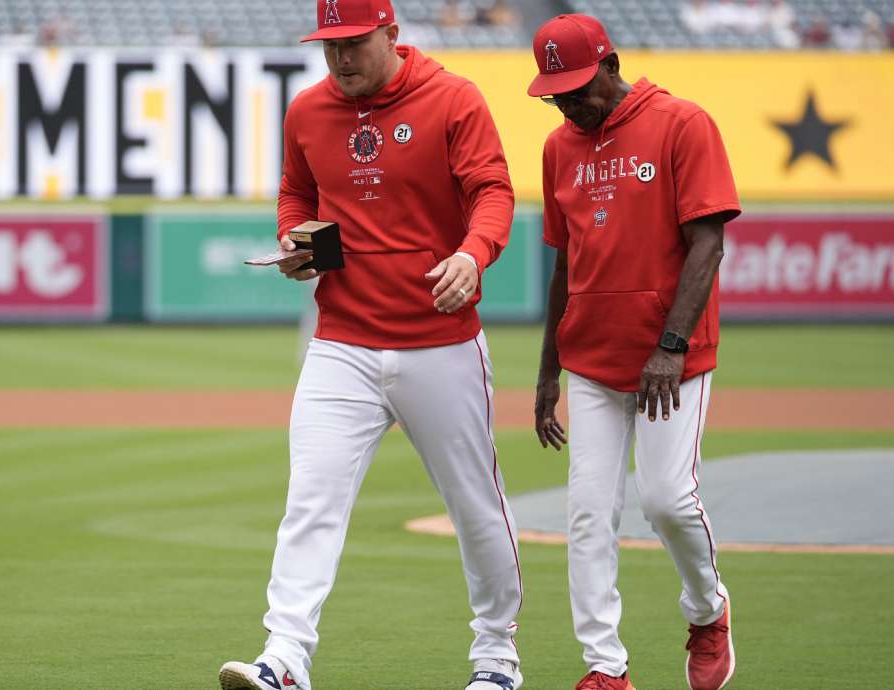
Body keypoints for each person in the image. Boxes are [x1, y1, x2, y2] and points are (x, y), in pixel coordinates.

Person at [219, 1, 524, 689]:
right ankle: (285, 657)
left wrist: (474, 256)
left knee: (476, 507)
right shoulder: (307, 111)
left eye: (354, 42)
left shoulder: (453, 98)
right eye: (330, 45)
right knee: (311, 500)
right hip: (343, 341)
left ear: (391, 33)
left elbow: (493, 191)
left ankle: (497, 659)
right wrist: (293, 242)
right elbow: (296, 196)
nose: (340, 57)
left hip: (439, 340)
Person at [525, 14, 741, 690]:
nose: (567, 105)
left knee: (669, 501)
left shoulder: (683, 123)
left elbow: (708, 242)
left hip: (670, 360)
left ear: (611, 65)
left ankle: (707, 612)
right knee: (588, 514)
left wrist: (670, 346)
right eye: (554, 94)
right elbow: (564, 268)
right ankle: (605, 668)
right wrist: (546, 374)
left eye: (577, 90)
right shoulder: (559, 147)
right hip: (590, 360)